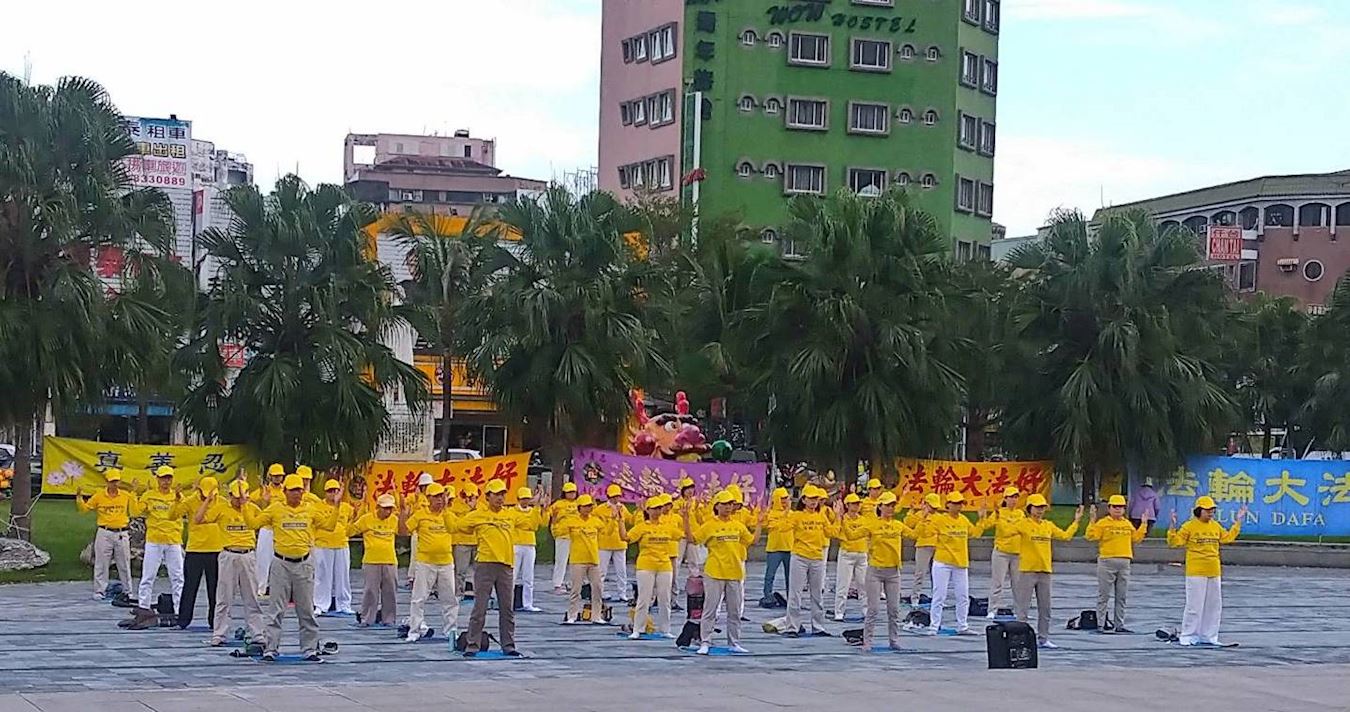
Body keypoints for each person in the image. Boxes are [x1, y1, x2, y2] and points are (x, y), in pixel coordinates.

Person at [253, 474, 338, 661]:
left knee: (306, 609)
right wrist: (249, 504)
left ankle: (310, 649)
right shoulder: (275, 509)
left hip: (304, 563)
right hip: (281, 564)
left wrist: (337, 506)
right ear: (285, 491)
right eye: (293, 490)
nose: (297, 493)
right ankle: (270, 648)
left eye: (300, 489)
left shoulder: (311, 509)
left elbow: (330, 526)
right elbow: (253, 523)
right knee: (275, 609)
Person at [686, 489, 764, 654]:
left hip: (735, 572)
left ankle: (734, 642)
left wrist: (759, 524)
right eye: (725, 504)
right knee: (710, 609)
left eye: (730, 504)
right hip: (715, 572)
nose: (728, 507)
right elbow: (693, 539)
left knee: (734, 611)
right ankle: (705, 641)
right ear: (717, 506)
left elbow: (753, 541)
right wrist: (686, 519)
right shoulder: (710, 525)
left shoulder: (737, 525)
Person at [844, 491, 918, 651]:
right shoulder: (872, 524)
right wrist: (841, 518)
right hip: (875, 571)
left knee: (894, 609)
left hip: (893, 572)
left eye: (893, 505)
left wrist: (920, 516)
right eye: (887, 505)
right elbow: (851, 535)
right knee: (873, 609)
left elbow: (914, 534)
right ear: (880, 507)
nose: (890, 508)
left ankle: (894, 640)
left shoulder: (898, 525)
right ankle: (867, 641)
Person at [1168, 496, 1246, 647]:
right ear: (1199, 511)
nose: (1211, 513)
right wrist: (1172, 526)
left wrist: (1238, 522)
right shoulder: (1189, 526)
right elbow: (1175, 542)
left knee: (1213, 606)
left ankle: (1209, 636)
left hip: (1214, 570)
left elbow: (1227, 538)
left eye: (1212, 510)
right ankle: (1189, 635)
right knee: (1194, 606)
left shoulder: (1215, 526)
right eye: (1207, 510)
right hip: (1196, 570)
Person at [458, 479, 525, 657]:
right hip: (485, 564)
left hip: (505, 565)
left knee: (507, 608)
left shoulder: (510, 514)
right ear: (487, 496)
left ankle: (508, 645)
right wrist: (472, 509)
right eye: (496, 494)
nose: (500, 498)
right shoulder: (478, 514)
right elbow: (461, 526)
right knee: (480, 607)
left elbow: (531, 522)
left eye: (503, 494)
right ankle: (472, 645)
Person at [197, 479, 264, 647]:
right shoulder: (221, 509)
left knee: (252, 598)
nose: (239, 500)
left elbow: (264, 521)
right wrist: (207, 501)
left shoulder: (252, 509)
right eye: (236, 497)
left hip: (248, 555)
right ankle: (219, 633)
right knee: (224, 597)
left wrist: (258, 502)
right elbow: (198, 519)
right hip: (228, 554)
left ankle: (257, 633)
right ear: (229, 496)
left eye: (242, 496)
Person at [1013, 494, 1082, 648]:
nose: (1039, 511)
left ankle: (1043, 639)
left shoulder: (1048, 525)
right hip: (1027, 571)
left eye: (1042, 508)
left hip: (1045, 571)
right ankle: (1020, 639)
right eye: (1036, 507)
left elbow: (1065, 536)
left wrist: (1076, 521)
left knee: (1045, 608)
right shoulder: (1023, 524)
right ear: (1029, 508)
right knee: (1022, 609)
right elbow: (1006, 531)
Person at [924, 492, 990, 636]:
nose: (958, 506)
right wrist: (925, 517)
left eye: (960, 503)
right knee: (939, 595)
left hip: (960, 563)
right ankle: (934, 625)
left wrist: (981, 518)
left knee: (963, 596)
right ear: (948, 505)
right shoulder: (940, 520)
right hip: (942, 562)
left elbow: (975, 533)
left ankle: (963, 625)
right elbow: (926, 532)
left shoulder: (963, 520)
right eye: (955, 503)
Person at [401, 482, 460, 643]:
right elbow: (404, 530)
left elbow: (454, 529)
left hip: (446, 562)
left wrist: (447, 510)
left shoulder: (448, 514)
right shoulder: (420, 514)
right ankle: (415, 629)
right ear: (428, 498)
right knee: (419, 598)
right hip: (425, 562)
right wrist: (403, 513)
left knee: (450, 598)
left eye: (442, 496)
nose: (440, 500)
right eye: (436, 497)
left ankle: (451, 630)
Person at [1085, 494, 1148, 633]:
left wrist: (1144, 524)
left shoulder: (1127, 524)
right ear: (1109, 508)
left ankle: (1119, 624)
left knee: (1121, 595)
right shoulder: (1103, 523)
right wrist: (1092, 520)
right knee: (1104, 595)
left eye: (1121, 507)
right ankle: (1100, 624)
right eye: (1115, 507)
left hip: (1124, 561)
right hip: (1107, 560)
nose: (1118, 510)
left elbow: (1136, 539)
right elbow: (1090, 536)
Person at [622, 494, 681, 639]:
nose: (657, 511)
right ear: (647, 510)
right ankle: (638, 628)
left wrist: (685, 518)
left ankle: (665, 629)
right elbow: (626, 538)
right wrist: (619, 521)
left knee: (664, 598)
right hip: (646, 565)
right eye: (654, 509)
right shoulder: (641, 527)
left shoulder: (667, 526)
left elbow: (682, 535)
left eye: (659, 508)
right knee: (644, 598)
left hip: (664, 566)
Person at [783, 485, 839, 637]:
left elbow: (832, 532)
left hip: (817, 558)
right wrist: (785, 511)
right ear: (804, 499)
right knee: (795, 593)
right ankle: (792, 627)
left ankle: (818, 626)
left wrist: (838, 516)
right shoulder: (796, 516)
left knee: (817, 594)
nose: (814, 502)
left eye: (816, 499)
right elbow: (783, 527)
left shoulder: (821, 516)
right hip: (800, 557)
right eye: (811, 499)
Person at [75, 468, 134, 600]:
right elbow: (84, 509)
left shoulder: (125, 495)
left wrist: (134, 492)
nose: (114, 484)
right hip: (104, 532)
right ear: (107, 482)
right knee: (101, 563)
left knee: (124, 563)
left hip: (121, 532)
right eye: (112, 481)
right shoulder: (99, 496)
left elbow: (136, 509)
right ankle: (99, 591)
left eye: (116, 481)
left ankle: (128, 591)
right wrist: (79, 498)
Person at [136, 465, 186, 612]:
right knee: (148, 576)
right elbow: (136, 511)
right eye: (163, 478)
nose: (166, 481)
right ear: (157, 479)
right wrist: (135, 494)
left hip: (173, 540)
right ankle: (143, 608)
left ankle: (179, 610)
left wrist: (178, 500)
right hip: (154, 540)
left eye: (169, 478)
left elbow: (185, 511)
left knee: (177, 577)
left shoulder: (178, 496)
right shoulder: (149, 495)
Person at [177, 476, 224, 629]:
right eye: (204, 493)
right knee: (190, 586)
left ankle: (214, 621)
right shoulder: (191, 501)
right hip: (195, 550)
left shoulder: (222, 502)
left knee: (215, 588)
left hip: (216, 549)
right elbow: (173, 515)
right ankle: (183, 619)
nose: (208, 496)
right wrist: (178, 499)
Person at [350, 494, 400, 627]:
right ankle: (367, 618)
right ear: (377, 507)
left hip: (390, 560)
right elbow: (350, 531)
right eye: (385, 508)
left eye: (390, 508)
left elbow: (404, 532)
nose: (388, 511)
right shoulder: (366, 519)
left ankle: (389, 619)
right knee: (370, 591)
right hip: (371, 560)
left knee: (390, 592)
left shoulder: (394, 520)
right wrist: (355, 514)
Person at [560, 494, 608, 624]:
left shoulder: (596, 521)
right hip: (578, 560)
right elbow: (559, 531)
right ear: (579, 508)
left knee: (597, 588)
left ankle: (596, 616)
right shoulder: (572, 521)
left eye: (589, 506)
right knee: (576, 589)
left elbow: (605, 532)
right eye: (585, 506)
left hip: (593, 560)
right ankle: (572, 615)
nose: (588, 509)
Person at [312, 479, 355, 617]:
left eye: (336, 490)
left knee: (343, 576)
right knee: (322, 576)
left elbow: (351, 521)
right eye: (330, 491)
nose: (333, 493)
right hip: (323, 545)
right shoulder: (317, 506)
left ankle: (344, 604)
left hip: (341, 544)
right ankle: (320, 605)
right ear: (325, 492)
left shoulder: (347, 507)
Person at [984, 487, 1025, 620]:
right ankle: (992, 609)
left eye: (1016, 497)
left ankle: (1020, 610)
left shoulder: (1020, 514)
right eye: (1011, 497)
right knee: (998, 582)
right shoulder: (999, 512)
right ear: (1005, 499)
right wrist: (989, 515)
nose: (1013, 500)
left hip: (1017, 553)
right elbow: (986, 525)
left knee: (1018, 584)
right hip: (1001, 552)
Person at [251, 463, 287, 596]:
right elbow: (251, 504)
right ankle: (261, 588)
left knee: (282, 560)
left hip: (282, 530)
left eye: (280, 476)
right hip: (266, 529)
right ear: (270, 476)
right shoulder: (263, 490)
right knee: (263, 560)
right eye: (275, 476)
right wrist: (263, 499)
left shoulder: (286, 490)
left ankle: (279, 589)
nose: (277, 479)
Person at [831, 493, 868, 622]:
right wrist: (838, 515)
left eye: (858, 503)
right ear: (847, 505)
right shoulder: (842, 519)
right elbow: (836, 532)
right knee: (843, 584)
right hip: (847, 554)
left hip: (861, 554)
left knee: (863, 584)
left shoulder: (863, 519)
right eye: (854, 503)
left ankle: (866, 610)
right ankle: (839, 612)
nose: (857, 506)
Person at [512, 487, 548, 612]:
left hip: (529, 545)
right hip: (516, 544)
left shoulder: (534, 511)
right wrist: (527, 523)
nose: (525, 501)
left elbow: (537, 525)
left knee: (529, 576)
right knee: (513, 575)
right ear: (518, 499)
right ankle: (508, 602)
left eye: (527, 499)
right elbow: (517, 522)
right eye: (523, 499)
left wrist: (539, 507)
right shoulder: (512, 511)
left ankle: (528, 603)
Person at [596, 484, 632, 602]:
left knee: (621, 570)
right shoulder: (600, 509)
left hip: (620, 543)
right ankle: (599, 593)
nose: (616, 499)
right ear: (608, 496)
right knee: (602, 570)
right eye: (613, 496)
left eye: (618, 496)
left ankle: (622, 593)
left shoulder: (623, 508)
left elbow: (630, 520)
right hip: (604, 544)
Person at [904, 493, 941, 601]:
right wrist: (911, 511)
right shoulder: (919, 515)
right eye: (931, 506)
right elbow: (908, 523)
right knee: (920, 573)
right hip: (923, 547)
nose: (933, 509)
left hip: (937, 547)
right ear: (925, 504)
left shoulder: (940, 517)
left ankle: (937, 598)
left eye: (935, 507)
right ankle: (915, 598)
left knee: (937, 575)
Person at [761, 487, 793, 606]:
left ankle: (791, 597)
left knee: (790, 576)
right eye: (782, 498)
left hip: (789, 548)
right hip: (774, 549)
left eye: (786, 498)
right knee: (770, 574)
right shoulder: (771, 514)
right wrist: (785, 514)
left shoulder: (792, 514)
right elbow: (774, 526)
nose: (785, 501)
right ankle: (767, 596)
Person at [673, 477, 704, 591]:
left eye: (691, 488)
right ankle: (673, 585)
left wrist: (696, 509)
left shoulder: (698, 503)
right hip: (681, 534)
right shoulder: (677, 503)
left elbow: (701, 520)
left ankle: (694, 586)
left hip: (693, 534)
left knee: (694, 560)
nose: (690, 491)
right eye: (687, 489)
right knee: (677, 560)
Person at [549, 482, 580, 594]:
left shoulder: (579, 503)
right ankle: (557, 584)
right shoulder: (558, 504)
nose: (571, 494)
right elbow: (551, 517)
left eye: (573, 492)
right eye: (569, 492)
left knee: (576, 562)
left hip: (577, 536)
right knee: (561, 561)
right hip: (563, 535)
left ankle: (574, 583)